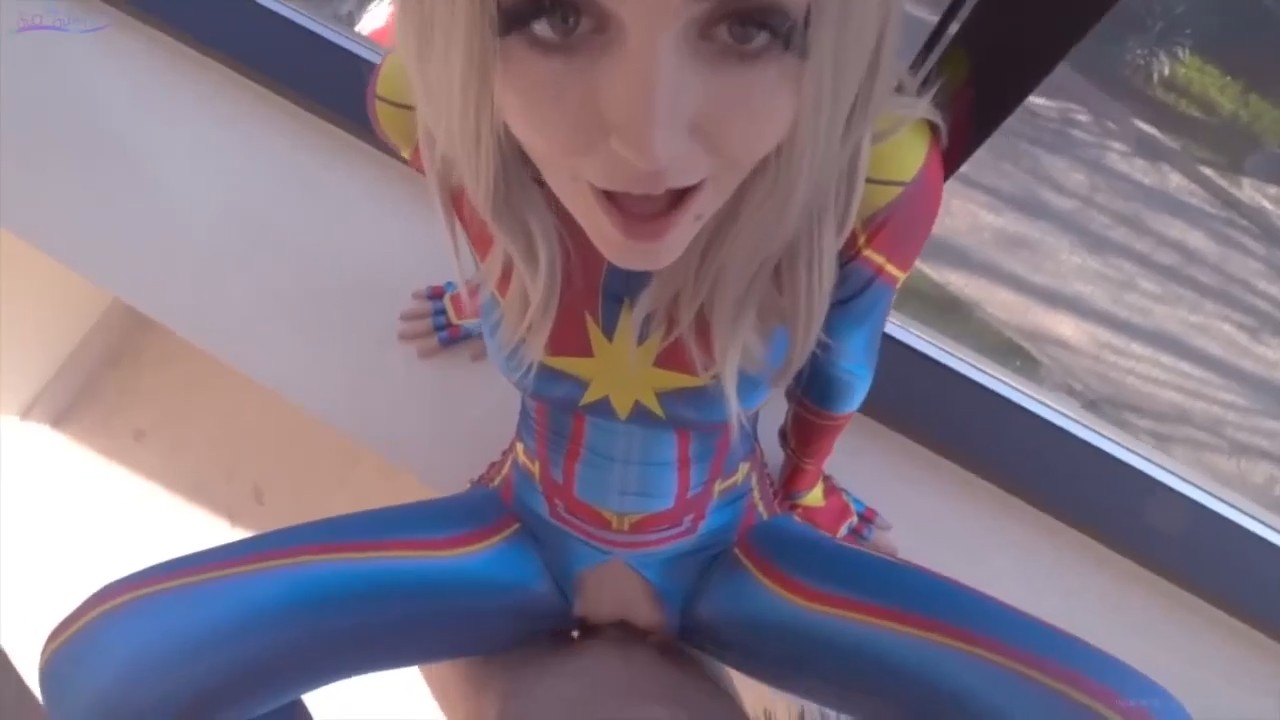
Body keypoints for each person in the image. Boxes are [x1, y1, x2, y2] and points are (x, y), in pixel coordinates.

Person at [37, 1, 1191, 719]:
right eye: (554, 14)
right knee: (109, 673)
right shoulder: (440, 113)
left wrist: (801, 494)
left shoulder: (867, 180)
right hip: (552, 532)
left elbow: (835, 364)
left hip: (713, 548)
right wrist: (490, 302)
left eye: (745, 25)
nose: (643, 138)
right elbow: (522, 247)